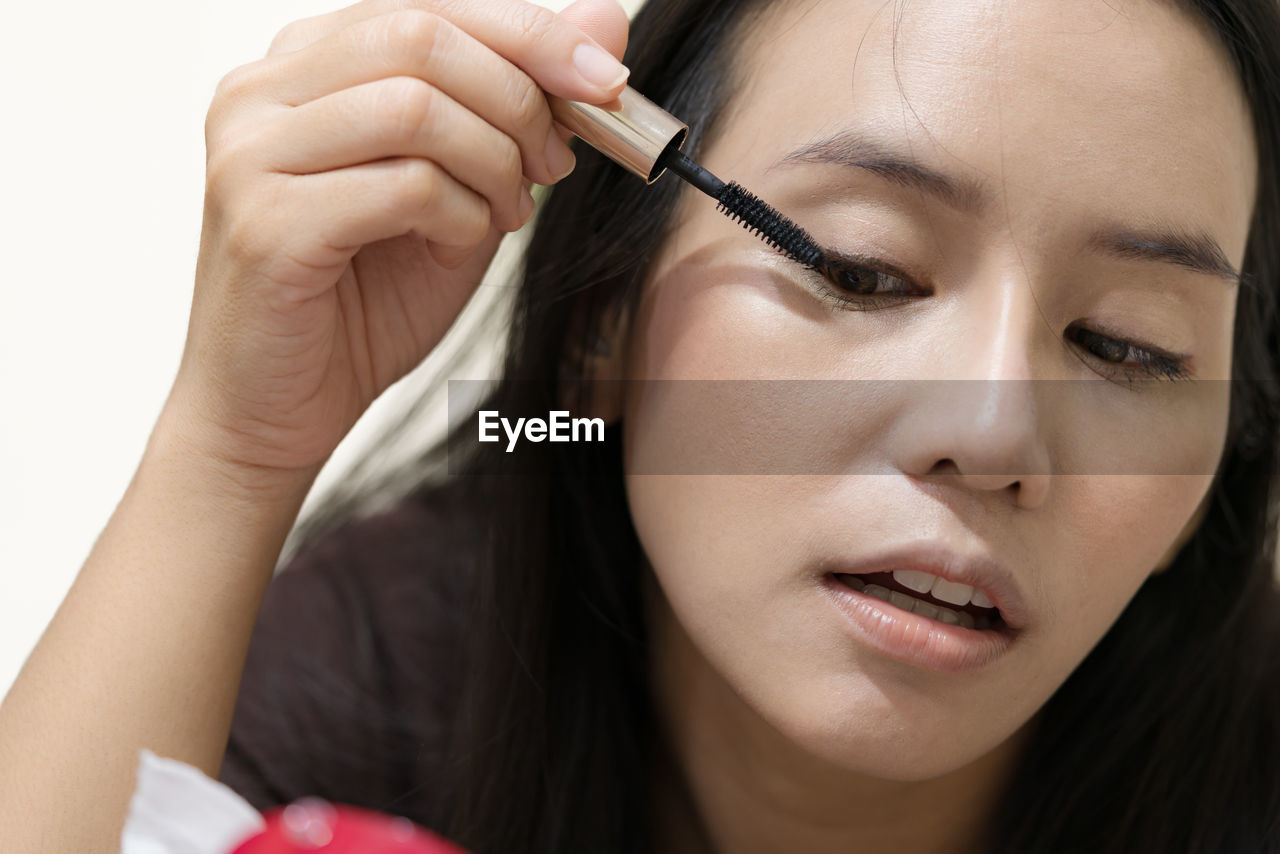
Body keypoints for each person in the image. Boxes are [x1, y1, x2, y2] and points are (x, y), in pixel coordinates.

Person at [2, 0, 1278, 852]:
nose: (992, 430)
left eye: (1126, 346)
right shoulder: (381, 681)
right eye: (861, 267)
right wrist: (233, 451)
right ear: (603, 320)